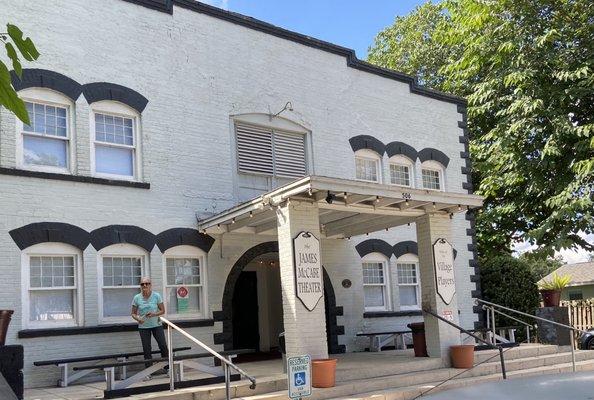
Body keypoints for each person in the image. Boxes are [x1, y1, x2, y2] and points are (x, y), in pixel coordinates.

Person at [131, 277, 168, 377]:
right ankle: (148, 372)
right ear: (140, 286)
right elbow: (133, 313)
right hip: (143, 327)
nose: (145, 286)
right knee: (147, 349)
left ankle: (167, 368)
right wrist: (138, 319)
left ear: (150, 285)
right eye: (142, 284)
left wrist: (154, 314)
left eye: (147, 283)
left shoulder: (156, 296)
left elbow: (162, 310)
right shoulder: (137, 298)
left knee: (163, 346)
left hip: (156, 325)